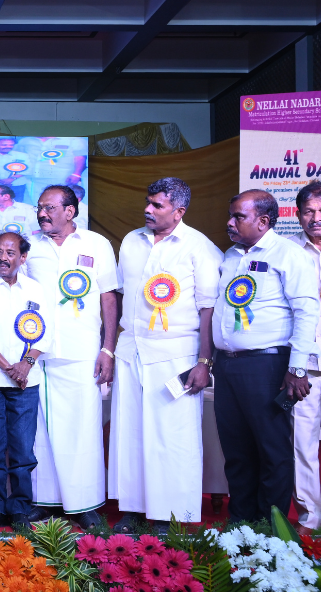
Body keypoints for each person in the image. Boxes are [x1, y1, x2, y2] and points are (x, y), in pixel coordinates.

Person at [110, 177, 223, 533]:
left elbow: (208, 309)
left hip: (177, 354)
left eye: (157, 205)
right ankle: (133, 508)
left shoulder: (199, 247)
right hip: (131, 350)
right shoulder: (132, 241)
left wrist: (204, 362)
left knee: (173, 437)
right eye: (148, 202)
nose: (147, 209)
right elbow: (122, 295)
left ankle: (170, 515)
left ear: (179, 211)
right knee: (130, 432)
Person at [214, 189, 317, 523]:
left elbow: (306, 313)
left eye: (238, 217)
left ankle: (271, 531)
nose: (230, 223)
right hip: (227, 366)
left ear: (263, 221)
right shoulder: (230, 255)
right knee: (236, 451)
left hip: (269, 367)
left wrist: (297, 368)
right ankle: (240, 526)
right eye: (230, 215)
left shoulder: (288, 254)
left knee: (272, 450)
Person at [25, 185, 117, 530]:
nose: (42, 213)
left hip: (83, 351)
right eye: (39, 207)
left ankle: (84, 503)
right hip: (38, 352)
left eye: (49, 207)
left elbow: (109, 298)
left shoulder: (96, 244)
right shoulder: (30, 247)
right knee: (40, 430)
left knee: (84, 428)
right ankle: (44, 501)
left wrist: (108, 348)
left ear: (70, 211)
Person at [0, 232, 50, 529]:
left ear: (23, 257)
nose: (3, 258)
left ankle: (19, 508)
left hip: (26, 382)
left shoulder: (35, 290)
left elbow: (47, 332)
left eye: (10, 253)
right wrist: (9, 368)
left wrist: (26, 364)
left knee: (22, 449)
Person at [289, 181, 321, 534]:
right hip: (306, 366)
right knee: (302, 443)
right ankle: (311, 520)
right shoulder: (288, 252)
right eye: (309, 212)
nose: (316, 218)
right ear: (298, 215)